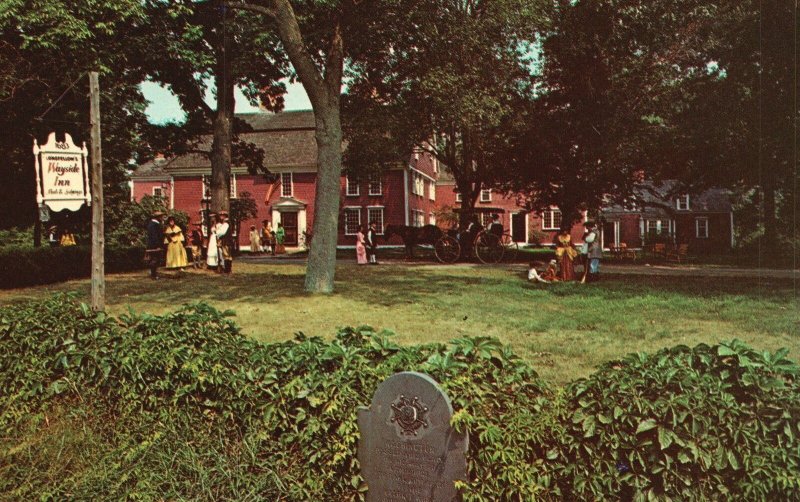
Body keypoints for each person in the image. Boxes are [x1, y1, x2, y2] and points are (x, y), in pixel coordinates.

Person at [145, 210, 164, 279]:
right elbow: (154, 236)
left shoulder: (154, 224)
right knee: (155, 259)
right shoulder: (153, 225)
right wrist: (158, 246)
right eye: (161, 217)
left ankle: (153, 273)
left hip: (154, 245)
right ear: (157, 217)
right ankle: (153, 275)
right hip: (154, 246)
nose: (162, 218)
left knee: (155, 260)